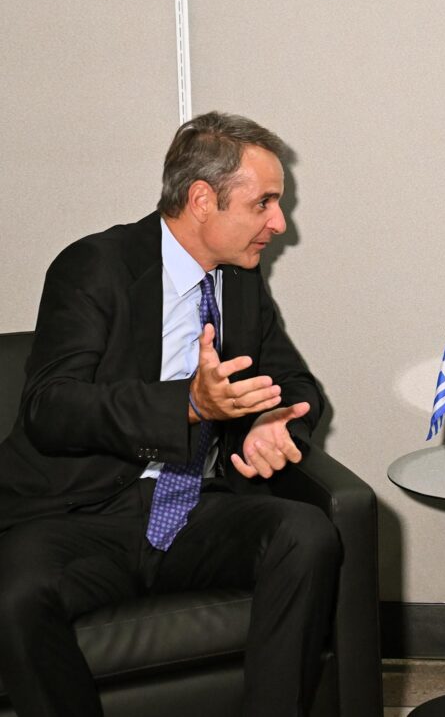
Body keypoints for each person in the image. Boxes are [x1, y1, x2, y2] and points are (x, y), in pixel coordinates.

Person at [0, 112, 340, 716]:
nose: (279, 223)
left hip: (193, 512)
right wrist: (187, 403)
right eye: (263, 203)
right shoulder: (95, 266)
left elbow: (294, 381)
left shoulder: (239, 282)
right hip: (83, 515)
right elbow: (51, 406)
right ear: (203, 199)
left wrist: (276, 420)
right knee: (15, 596)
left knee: (306, 533)